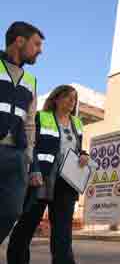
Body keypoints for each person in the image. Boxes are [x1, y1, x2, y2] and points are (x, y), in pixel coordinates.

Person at [7, 85, 89, 264]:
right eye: (67, 97)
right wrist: (34, 169)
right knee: (27, 225)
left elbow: (77, 148)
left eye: (74, 99)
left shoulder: (78, 123)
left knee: (63, 233)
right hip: (42, 178)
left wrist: (84, 154)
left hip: (67, 182)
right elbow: (31, 144)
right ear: (56, 98)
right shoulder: (41, 117)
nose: (71, 101)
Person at [0, 21, 44, 245]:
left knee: (12, 211)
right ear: (19, 41)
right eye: (36, 44)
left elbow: (29, 123)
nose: (40, 50)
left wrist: (28, 156)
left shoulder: (31, 80)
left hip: (16, 155)